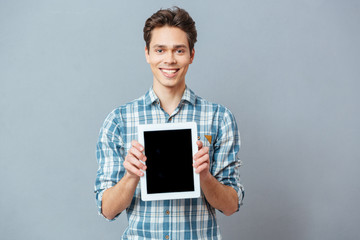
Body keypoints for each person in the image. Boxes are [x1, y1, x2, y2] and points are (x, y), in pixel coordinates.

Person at [95, 6, 244, 239]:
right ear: (147, 54)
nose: (170, 60)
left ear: (192, 55)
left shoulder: (219, 118)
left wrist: (205, 176)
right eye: (160, 50)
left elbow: (231, 205)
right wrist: (131, 176)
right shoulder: (119, 121)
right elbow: (107, 209)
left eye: (179, 50)